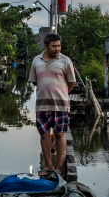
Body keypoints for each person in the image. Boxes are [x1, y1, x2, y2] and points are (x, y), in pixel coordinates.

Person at [29, 33, 76, 178]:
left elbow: (71, 82)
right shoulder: (37, 61)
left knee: (59, 134)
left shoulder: (65, 61)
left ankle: (59, 166)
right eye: (54, 46)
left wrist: (61, 94)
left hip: (60, 106)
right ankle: (48, 165)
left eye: (59, 46)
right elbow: (35, 81)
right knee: (44, 135)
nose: (57, 49)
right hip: (42, 105)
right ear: (46, 46)